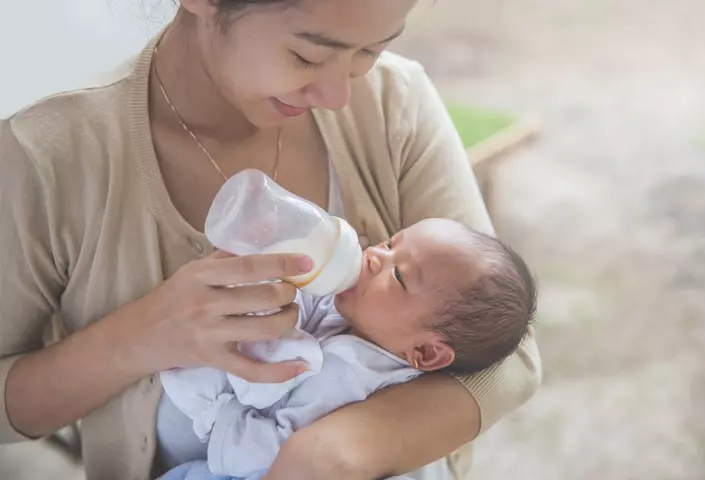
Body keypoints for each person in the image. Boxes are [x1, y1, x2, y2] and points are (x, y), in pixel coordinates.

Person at [0, 1, 542, 479]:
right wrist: (137, 337)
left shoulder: (393, 101)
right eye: (307, 56)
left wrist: (333, 451)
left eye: (369, 52)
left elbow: (509, 358)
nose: (337, 95)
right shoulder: (46, 157)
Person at [158, 218, 537, 480]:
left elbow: (271, 450)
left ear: (425, 353)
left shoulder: (354, 381)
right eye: (391, 243)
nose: (375, 255)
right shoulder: (358, 316)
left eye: (399, 275)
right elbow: (302, 304)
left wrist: (219, 414)